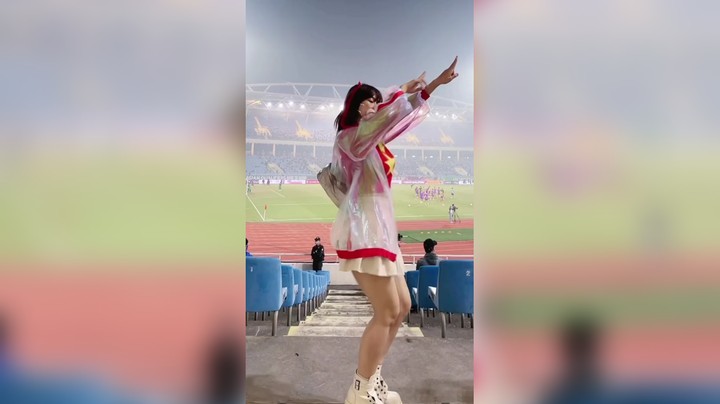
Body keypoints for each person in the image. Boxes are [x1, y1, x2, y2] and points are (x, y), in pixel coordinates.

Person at [330, 57, 459, 404]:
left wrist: (433, 85)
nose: (375, 105)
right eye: (369, 100)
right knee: (386, 311)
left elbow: (400, 117)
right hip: (364, 230)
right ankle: (359, 391)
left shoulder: (373, 139)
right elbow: (388, 115)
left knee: (402, 307)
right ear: (355, 107)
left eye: (377, 100)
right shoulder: (350, 138)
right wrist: (400, 88)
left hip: (381, 230)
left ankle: (373, 380)